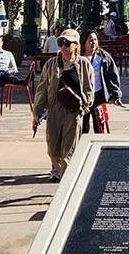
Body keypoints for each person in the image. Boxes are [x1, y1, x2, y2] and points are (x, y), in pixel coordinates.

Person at [32, 28, 93, 181]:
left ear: (76, 45)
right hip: (54, 110)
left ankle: (66, 183)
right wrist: (36, 113)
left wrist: (84, 106)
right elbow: (41, 89)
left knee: (68, 152)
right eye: (61, 43)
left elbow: (89, 88)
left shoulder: (84, 65)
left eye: (67, 43)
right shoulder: (51, 64)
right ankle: (58, 170)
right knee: (53, 150)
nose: (64, 46)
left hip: (73, 112)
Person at [80, 30, 122, 134]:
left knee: (99, 125)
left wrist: (116, 95)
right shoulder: (79, 58)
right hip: (83, 96)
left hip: (99, 94)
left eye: (95, 40)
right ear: (84, 43)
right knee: (83, 126)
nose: (93, 42)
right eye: (90, 40)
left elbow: (113, 76)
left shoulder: (104, 57)